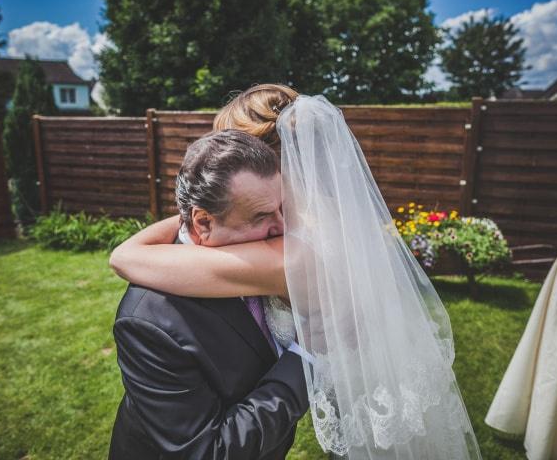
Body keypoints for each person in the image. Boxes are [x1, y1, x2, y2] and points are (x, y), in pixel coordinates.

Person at [110, 85, 483, 459]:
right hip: (377, 384)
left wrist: (130, 249)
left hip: (364, 396)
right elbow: (189, 225)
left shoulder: (293, 254)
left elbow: (132, 258)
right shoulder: (323, 215)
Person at [108, 129, 310, 459]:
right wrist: (310, 359)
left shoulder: (269, 255)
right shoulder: (148, 320)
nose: (283, 227)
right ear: (203, 223)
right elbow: (208, 450)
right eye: (261, 216)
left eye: (282, 208)